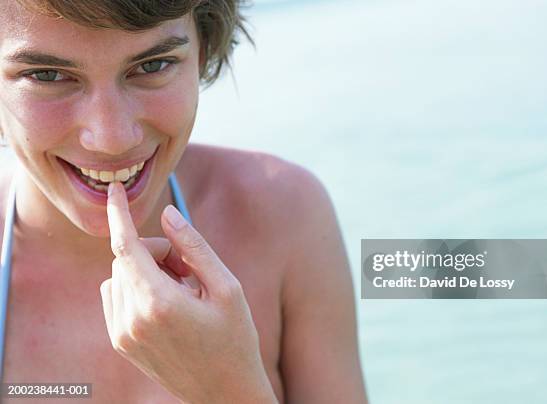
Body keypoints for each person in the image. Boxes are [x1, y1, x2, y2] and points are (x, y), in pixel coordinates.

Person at [0, 0, 368, 403]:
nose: (113, 138)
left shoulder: (286, 216)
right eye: (47, 75)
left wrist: (228, 388)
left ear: (203, 54)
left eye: (152, 65)